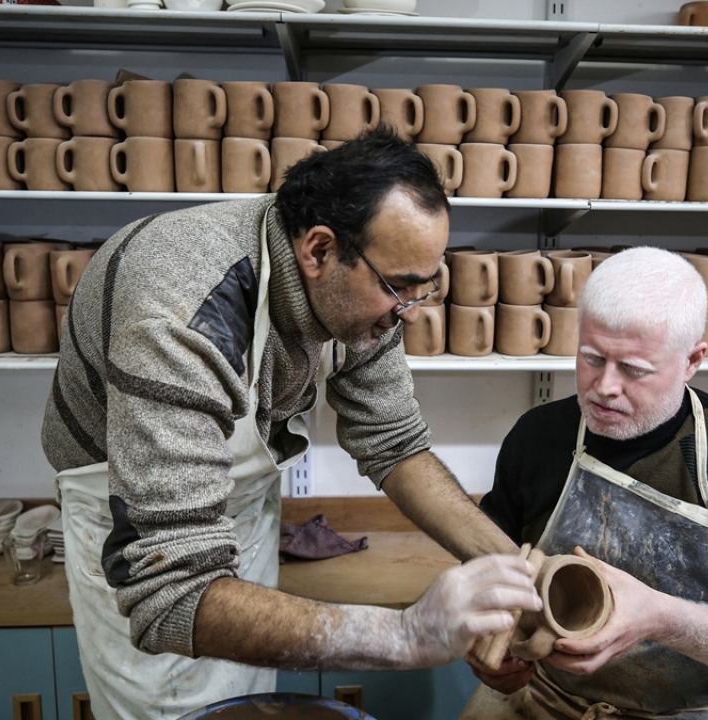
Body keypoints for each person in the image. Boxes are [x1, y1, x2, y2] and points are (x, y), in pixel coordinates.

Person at [40, 128, 539, 720]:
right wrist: (408, 635)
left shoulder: (361, 297)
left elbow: (393, 442)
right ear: (319, 250)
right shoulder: (183, 311)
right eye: (397, 289)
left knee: (250, 704)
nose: (406, 312)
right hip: (139, 534)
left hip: (242, 510)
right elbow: (170, 599)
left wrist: (517, 574)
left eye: (421, 290)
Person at [462, 247, 708, 720]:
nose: (604, 386)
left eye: (635, 370)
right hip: (543, 701)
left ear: (692, 361)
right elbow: (488, 571)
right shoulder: (539, 437)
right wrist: (482, 640)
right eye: (591, 358)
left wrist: (661, 619)